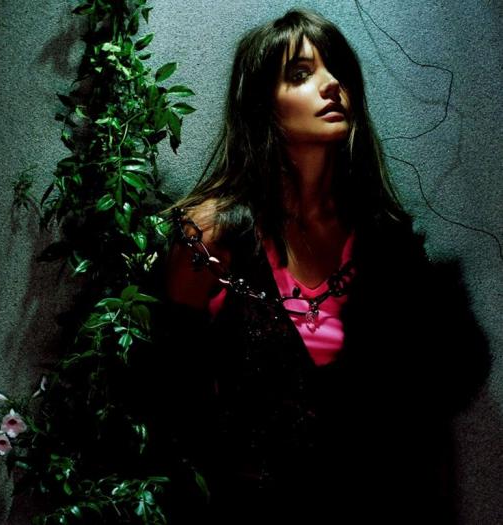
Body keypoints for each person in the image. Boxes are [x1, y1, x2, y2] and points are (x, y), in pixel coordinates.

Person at [155, 8, 490, 524]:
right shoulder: (213, 235)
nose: (331, 85)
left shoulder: (384, 241)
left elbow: (427, 400)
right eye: (300, 73)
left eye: (337, 71)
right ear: (262, 102)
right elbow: (171, 401)